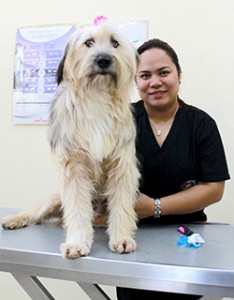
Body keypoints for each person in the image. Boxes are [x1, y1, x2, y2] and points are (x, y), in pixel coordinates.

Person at [116, 38, 230, 299]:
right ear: (136, 82)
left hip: (188, 241)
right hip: (131, 239)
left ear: (179, 75)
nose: (154, 82)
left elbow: (213, 189)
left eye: (163, 72)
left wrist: (155, 206)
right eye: (145, 75)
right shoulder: (121, 121)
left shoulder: (201, 125)